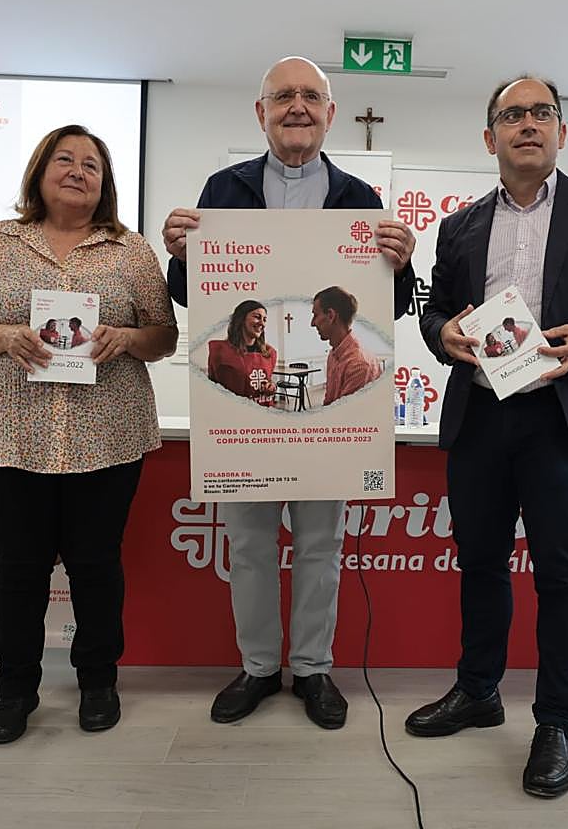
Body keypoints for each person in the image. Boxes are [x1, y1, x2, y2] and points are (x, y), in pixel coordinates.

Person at [410, 74, 568, 798]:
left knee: (561, 574)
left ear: (560, 132)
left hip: (560, 417)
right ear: (490, 138)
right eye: (512, 115)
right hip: (483, 414)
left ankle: (556, 722)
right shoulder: (458, 227)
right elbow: (435, 317)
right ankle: (478, 691)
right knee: (480, 564)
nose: (528, 124)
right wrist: (442, 334)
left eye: (541, 113)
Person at [162, 56, 417, 730]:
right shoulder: (222, 188)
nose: (297, 106)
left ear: (330, 114)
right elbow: (191, 296)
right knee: (246, 546)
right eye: (284, 97)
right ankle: (255, 668)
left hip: (328, 425)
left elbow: (400, 305)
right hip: (244, 418)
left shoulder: (362, 198)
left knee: (319, 546)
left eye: (311, 96)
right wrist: (178, 254)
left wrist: (404, 258)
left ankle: (311, 669)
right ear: (261, 113)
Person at [0, 124, 178, 745]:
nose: (78, 171)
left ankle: (98, 679)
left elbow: (164, 335)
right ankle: (15, 689)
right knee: (19, 568)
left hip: (107, 434)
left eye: (92, 165)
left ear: (104, 183)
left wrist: (126, 339)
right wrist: (4, 336)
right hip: (12, 433)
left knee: (96, 565)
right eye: (64, 160)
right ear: (39, 172)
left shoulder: (129, 250)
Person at [311, 285, 381, 405]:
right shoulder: (333, 354)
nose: (312, 323)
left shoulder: (358, 364)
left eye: (316, 315)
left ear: (331, 315)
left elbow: (345, 417)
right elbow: (329, 403)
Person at [207, 300, 278, 406]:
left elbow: (268, 380)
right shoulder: (221, 351)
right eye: (257, 317)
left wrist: (272, 386)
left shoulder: (269, 353)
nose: (262, 323)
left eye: (264, 319)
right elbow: (212, 386)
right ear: (241, 319)